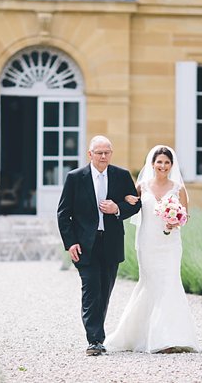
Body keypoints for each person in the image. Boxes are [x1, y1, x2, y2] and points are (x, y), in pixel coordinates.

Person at [104, 145, 198, 354]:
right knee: (151, 284)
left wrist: (177, 221)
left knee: (170, 283)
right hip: (147, 242)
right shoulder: (142, 186)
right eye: (159, 162)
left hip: (170, 244)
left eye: (166, 162)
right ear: (152, 164)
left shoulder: (178, 189)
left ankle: (169, 338)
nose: (163, 166)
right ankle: (140, 335)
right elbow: (130, 203)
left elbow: (186, 216)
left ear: (171, 165)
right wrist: (127, 199)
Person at [57, 135, 141, 356]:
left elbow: (135, 204)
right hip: (85, 244)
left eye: (107, 152)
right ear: (90, 154)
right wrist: (70, 243)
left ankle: (97, 335)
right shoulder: (75, 178)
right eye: (99, 152)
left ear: (111, 154)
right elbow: (64, 214)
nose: (103, 156)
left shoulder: (121, 176)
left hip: (111, 242)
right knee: (91, 289)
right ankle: (94, 340)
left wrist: (118, 208)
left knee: (104, 291)